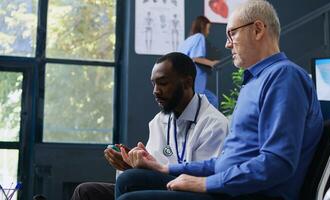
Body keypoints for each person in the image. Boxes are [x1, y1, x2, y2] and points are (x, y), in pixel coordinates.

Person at [115, 1, 324, 200]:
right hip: (231, 189)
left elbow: (277, 163)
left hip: (253, 194)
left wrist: (205, 184)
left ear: (258, 29)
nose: (227, 44)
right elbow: (224, 163)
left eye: (232, 33)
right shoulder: (254, 82)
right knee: (129, 179)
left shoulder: (283, 77)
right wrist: (165, 168)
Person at [71, 52, 229, 200]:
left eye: (163, 83)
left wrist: (141, 171)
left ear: (187, 82)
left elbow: (203, 178)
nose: (155, 91)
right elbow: (153, 170)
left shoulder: (214, 124)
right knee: (86, 191)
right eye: (154, 84)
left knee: (130, 180)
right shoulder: (159, 121)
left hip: (194, 191)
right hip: (163, 186)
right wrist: (131, 163)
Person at [178, 16, 219, 107]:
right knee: (212, 102)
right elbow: (196, 58)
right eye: (208, 29)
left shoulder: (186, 41)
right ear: (203, 27)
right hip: (195, 84)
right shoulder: (199, 37)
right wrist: (212, 63)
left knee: (212, 99)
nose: (208, 32)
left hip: (183, 83)